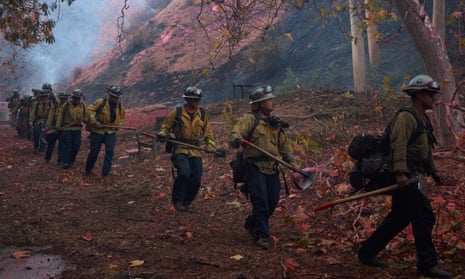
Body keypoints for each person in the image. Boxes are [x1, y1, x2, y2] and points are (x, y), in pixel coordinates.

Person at [357, 74, 452, 278]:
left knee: (399, 217)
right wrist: (400, 172)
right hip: (404, 172)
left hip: (413, 171)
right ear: (418, 94)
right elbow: (397, 146)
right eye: (429, 94)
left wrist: (434, 172)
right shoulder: (405, 118)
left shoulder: (422, 119)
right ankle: (427, 263)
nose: (433, 98)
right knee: (424, 216)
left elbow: (425, 150)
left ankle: (367, 252)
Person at [229, 85, 297, 250]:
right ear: (260, 103)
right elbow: (234, 136)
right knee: (260, 202)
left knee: (272, 201)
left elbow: (284, 146)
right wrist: (238, 139)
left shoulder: (275, 123)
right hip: (254, 167)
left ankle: (252, 223)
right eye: (269, 100)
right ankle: (261, 235)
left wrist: (293, 163)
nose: (272, 102)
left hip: (272, 167)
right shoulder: (249, 120)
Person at [157, 86, 216, 212]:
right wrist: (163, 133)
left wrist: (210, 144)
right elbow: (165, 127)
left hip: (195, 150)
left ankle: (187, 202)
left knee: (196, 178)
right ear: (188, 99)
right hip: (180, 148)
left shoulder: (202, 114)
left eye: (198, 99)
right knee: (184, 173)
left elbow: (208, 133)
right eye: (194, 99)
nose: (197, 102)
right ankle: (177, 200)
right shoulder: (177, 112)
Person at [85, 86, 125, 177]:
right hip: (98, 132)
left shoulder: (120, 107)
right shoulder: (101, 102)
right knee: (94, 152)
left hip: (110, 133)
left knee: (110, 152)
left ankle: (105, 173)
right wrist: (94, 121)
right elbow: (89, 110)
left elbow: (122, 117)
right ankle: (88, 170)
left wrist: (118, 125)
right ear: (109, 95)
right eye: (112, 96)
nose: (113, 99)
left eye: (115, 97)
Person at [55, 89, 86, 169]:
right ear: (72, 97)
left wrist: (85, 119)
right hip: (67, 129)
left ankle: (71, 161)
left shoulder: (82, 106)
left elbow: (87, 116)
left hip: (77, 130)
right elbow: (60, 116)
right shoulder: (66, 105)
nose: (76, 100)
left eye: (78, 98)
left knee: (76, 146)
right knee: (67, 146)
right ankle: (66, 162)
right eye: (75, 98)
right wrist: (58, 126)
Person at [44, 91, 69, 164]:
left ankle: (60, 159)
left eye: (65, 99)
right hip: (53, 127)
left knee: (62, 144)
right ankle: (47, 158)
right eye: (62, 99)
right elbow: (50, 117)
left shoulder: (68, 107)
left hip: (63, 127)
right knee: (51, 144)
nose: (63, 100)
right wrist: (48, 127)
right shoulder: (55, 106)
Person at [29, 89, 50, 154]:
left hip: (46, 121)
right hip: (37, 121)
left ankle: (42, 149)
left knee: (44, 135)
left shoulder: (50, 104)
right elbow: (33, 113)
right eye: (43, 97)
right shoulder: (37, 104)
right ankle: (36, 146)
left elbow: (51, 114)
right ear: (41, 97)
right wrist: (31, 120)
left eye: (45, 97)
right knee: (36, 134)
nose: (44, 98)